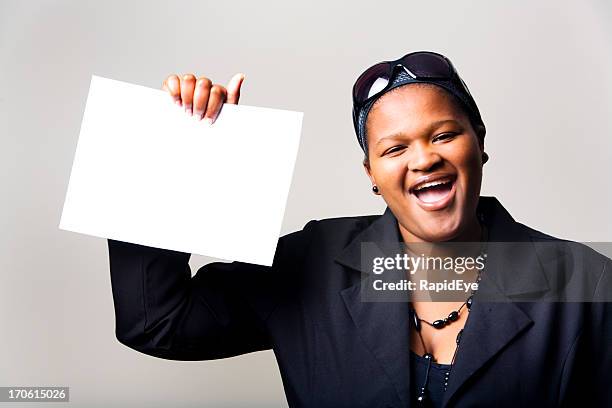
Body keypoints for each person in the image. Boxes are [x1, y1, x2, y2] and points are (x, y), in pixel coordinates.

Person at [107, 51, 612, 407]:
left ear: (478, 145)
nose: (424, 158)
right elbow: (157, 323)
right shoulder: (312, 266)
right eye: (394, 149)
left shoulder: (586, 284)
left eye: (444, 135)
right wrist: (174, 151)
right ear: (371, 174)